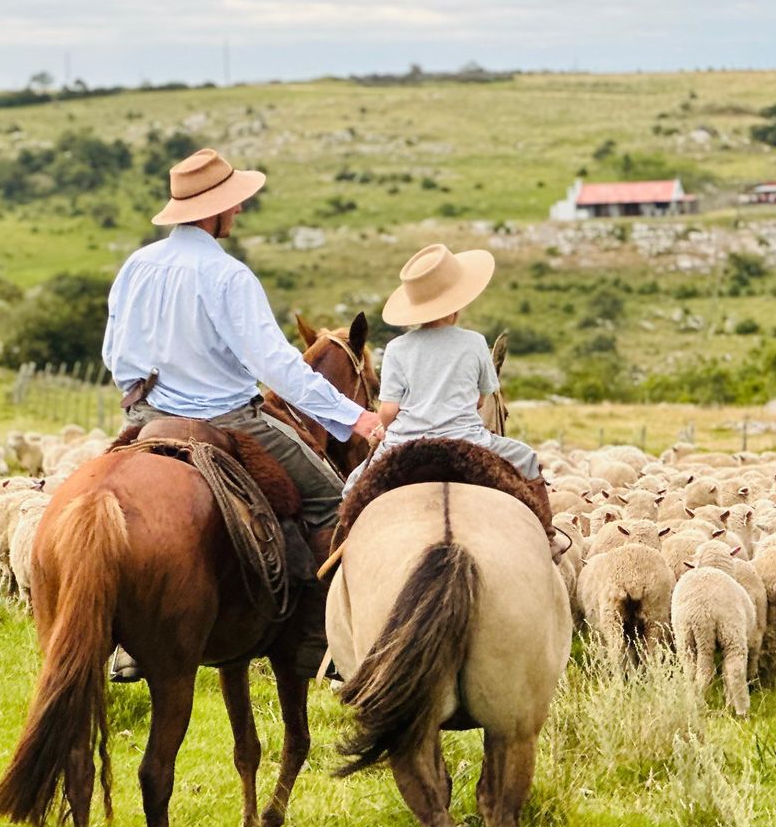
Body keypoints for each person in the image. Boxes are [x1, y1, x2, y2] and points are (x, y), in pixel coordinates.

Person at [103, 148, 383, 681]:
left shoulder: (135, 266)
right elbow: (274, 364)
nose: (238, 213)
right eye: (233, 205)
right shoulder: (229, 275)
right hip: (228, 418)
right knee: (333, 500)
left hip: (147, 417)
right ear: (214, 211)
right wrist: (355, 418)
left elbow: (115, 352)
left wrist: (143, 403)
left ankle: (126, 641)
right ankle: (324, 645)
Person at [342, 242, 566, 561]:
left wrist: (384, 428)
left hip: (405, 445)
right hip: (467, 441)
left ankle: (345, 551)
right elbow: (479, 401)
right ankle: (548, 537)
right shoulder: (474, 343)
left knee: (352, 486)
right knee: (528, 459)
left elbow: (389, 410)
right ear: (456, 304)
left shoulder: (396, 349)